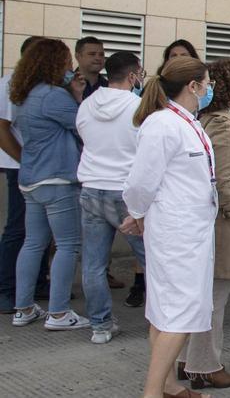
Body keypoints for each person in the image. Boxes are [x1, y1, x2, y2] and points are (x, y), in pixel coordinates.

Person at [122, 56, 218, 398]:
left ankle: (168, 386)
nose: (210, 89)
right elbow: (140, 182)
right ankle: (152, 392)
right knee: (178, 315)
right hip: (176, 233)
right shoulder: (163, 124)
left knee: (164, 313)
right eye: (207, 83)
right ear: (192, 86)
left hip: (187, 230)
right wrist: (138, 212)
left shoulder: (185, 121)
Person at [179, 58, 230, 390]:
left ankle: (186, 360)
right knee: (215, 297)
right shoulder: (225, 123)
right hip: (227, 223)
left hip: (218, 218)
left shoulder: (212, 118)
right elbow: (222, 179)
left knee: (207, 295)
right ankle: (205, 364)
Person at [9, 38, 88, 330]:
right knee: (68, 245)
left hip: (30, 179)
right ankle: (58, 313)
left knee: (33, 244)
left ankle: (24, 308)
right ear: (53, 63)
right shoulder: (54, 96)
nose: (70, 68)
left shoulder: (25, 95)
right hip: (57, 179)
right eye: (67, 62)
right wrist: (77, 97)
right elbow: (84, 126)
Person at [76, 51, 147, 343]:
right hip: (125, 191)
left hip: (91, 186)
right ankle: (162, 322)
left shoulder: (87, 104)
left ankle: (100, 326)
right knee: (150, 259)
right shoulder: (139, 106)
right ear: (132, 76)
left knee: (93, 263)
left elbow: (82, 135)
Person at [0, 36, 51, 316]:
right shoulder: (10, 84)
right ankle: (6, 290)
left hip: (37, 167)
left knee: (41, 231)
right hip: (20, 166)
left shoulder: (39, 87)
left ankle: (38, 284)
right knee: (18, 229)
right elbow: (2, 129)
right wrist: (25, 160)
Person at [74, 36, 108, 100]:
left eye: (101, 54)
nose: (98, 58)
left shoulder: (109, 87)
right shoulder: (67, 86)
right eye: (92, 54)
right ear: (78, 56)